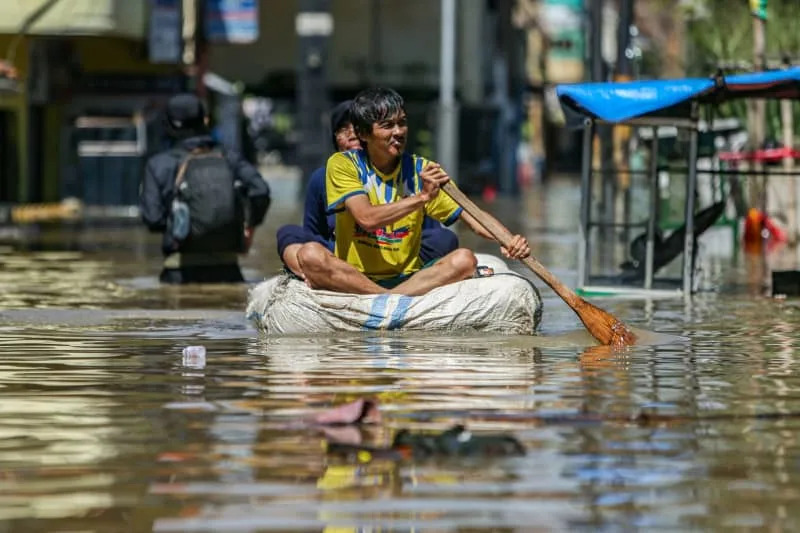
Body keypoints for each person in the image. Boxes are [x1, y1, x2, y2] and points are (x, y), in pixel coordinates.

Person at [292, 87, 530, 296]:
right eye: (387, 126)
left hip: (408, 278)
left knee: (464, 259)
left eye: (402, 123)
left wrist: (509, 240)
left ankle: (390, 295)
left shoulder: (422, 170)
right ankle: (383, 295)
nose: (398, 132)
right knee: (310, 255)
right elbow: (366, 218)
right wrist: (422, 198)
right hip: (355, 276)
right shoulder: (343, 164)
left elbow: (474, 217)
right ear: (364, 134)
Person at [278, 100, 459, 278]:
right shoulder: (322, 177)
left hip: (399, 250)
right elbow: (313, 233)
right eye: (343, 129)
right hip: (345, 253)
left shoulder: (411, 171)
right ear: (335, 139)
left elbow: (430, 229)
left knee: (444, 238)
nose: (352, 134)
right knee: (290, 234)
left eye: (357, 128)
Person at [140, 93, 271, 283]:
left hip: (178, 273)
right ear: (205, 120)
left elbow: (153, 219)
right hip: (228, 271)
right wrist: (249, 227)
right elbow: (261, 191)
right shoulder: (229, 158)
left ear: (167, 123)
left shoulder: (158, 164)